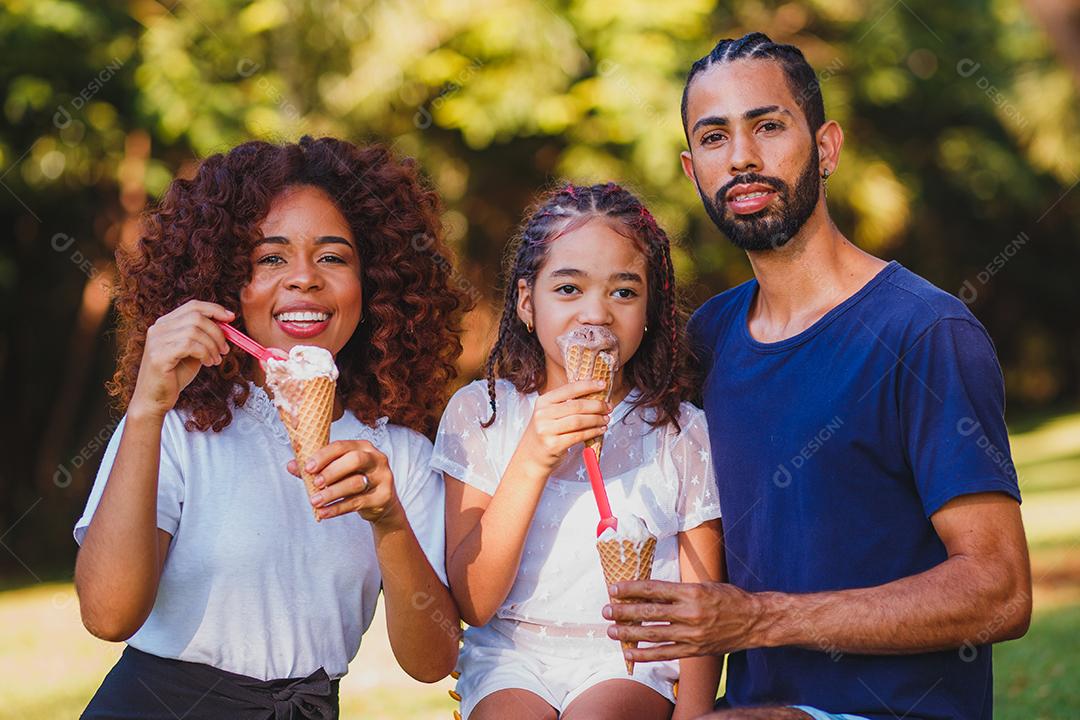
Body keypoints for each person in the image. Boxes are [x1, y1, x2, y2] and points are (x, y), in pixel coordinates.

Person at [604, 33, 1032, 720]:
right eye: (715, 138)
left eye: (767, 126)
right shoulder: (704, 340)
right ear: (692, 171)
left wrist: (760, 619)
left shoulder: (923, 332)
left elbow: (1000, 591)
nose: (741, 157)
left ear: (826, 147)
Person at [73, 136, 466, 718]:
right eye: (270, 257)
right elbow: (107, 616)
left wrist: (388, 521)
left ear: (375, 284)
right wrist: (147, 408)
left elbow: (432, 662)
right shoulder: (176, 427)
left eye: (333, 257)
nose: (303, 278)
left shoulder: (396, 452)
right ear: (225, 281)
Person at [434, 183, 724, 720]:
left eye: (623, 292)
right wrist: (533, 456)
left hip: (629, 657)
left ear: (650, 308)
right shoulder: (482, 413)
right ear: (526, 302)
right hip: (510, 654)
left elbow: (701, 607)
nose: (596, 313)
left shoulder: (681, 432)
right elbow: (474, 603)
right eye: (568, 289)